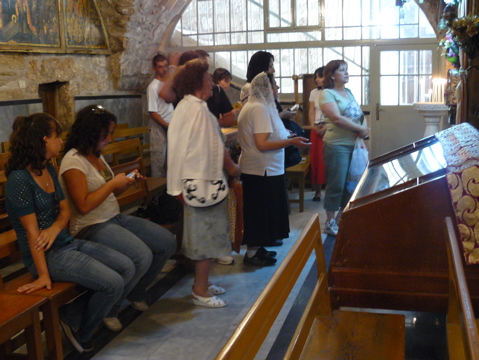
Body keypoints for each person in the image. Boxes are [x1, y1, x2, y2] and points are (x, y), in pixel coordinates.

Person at [5, 113, 135, 353]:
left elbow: (65, 211)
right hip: (45, 255)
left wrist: (55, 228)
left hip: (65, 242)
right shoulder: (19, 180)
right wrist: (43, 275)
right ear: (44, 140)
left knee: (127, 266)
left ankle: (72, 313)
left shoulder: (48, 168)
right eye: (56, 137)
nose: (61, 142)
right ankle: (82, 332)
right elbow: (33, 234)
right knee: (113, 283)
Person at [59, 105, 176, 331]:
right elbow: (83, 205)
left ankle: (135, 293)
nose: (110, 138)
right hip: (90, 226)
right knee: (141, 256)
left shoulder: (96, 156)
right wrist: (113, 183)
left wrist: (124, 183)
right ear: (92, 132)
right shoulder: (73, 161)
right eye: (107, 134)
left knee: (165, 242)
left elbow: (107, 191)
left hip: (113, 217)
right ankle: (109, 308)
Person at [167, 59, 241, 307]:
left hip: (198, 182)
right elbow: (216, 149)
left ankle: (204, 282)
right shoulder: (196, 110)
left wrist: (175, 186)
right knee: (204, 236)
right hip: (201, 184)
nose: (211, 82)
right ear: (197, 82)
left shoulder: (188, 107)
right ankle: (200, 290)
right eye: (208, 79)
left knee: (207, 233)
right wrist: (233, 169)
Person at [237, 72, 311, 266]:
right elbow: (261, 144)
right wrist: (290, 141)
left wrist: (286, 134)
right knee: (259, 212)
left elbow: (268, 135)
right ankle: (252, 253)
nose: (277, 89)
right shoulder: (259, 109)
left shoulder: (259, 107)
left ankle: (257, 249)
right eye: (275, 85)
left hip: (264, 168)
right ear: (265, 88)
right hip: (262, 169)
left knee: (262, 212)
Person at [319, 60, 369, 236]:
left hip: (354, 145)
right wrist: (360, 129)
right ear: (332, 75)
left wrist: (363, 132)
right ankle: (329, 221)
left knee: (352, 184)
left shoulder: (348, 92)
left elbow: (358, 114)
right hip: (336, 146)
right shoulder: (327, 94)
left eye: (347, 70)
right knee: (337, 184)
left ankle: (343, 218)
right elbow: (337, 118)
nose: (347, 73)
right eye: (342, 70)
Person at [147, 53, 175, 177]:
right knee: (158, 161)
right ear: (154, 68)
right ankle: (157, 194)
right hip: (159, 127)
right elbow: (153, 113)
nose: (164, 69)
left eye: (165, 66)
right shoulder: (152, 87)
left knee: (171, 162)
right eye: (160, 67)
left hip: (170, 125)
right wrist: (168, 126)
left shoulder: (167, 85)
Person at [308, 66, 327, 201]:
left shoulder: (332, 92)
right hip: (315, 129)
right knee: (315, 159)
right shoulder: (313, 92)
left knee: (325, 160)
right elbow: (311, 111)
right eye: (316, 77)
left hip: (328, 129)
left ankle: (329, 190)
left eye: (320, 76)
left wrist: (325, 127)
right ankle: (317, 191)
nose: (317, 80)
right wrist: (312, 127)